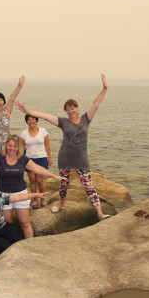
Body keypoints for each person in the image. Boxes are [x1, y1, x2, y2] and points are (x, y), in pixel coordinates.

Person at [15, 74, 110, 220]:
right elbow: (45, 116)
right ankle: (61, 204)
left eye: (72, 108)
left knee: (89, 186)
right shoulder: (63, 122)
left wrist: (104, 88)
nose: (70, 111)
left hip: (81, 160)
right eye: (68, 109)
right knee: (63, 185)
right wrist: (28, 111)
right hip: (65, 158)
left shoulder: (86, 119)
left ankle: (100, 213)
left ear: (77, 108)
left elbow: (95, 104)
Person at [20, 114, 53, 209]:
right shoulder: (23, 133)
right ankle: (35, 199)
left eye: (33, 119)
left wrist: (50, 157)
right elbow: (22, 149)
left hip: (41, 158)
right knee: (32, 180)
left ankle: (42, 198)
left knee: (40, 180)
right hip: (29, 159)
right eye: (29, 120)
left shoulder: (43, 131)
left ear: (36, 120)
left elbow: (47, 145)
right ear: (27, 121)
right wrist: (21, 161)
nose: (31, 121)